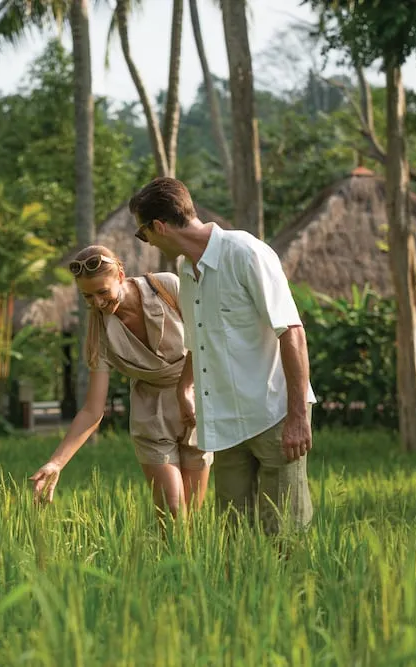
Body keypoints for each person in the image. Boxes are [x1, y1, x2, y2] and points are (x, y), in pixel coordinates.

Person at [129, 177, 316, 535]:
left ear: (159, 226)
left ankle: (296, 593)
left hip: (274, 413)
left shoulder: (245, 253)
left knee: (284, 532)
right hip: (226, 423)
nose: (147, 242)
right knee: (234, 535)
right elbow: (196, 341)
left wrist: (297, 416)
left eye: (143, 233)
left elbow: (292, 332)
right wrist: (185, 388)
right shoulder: (186, 270)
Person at [29, 245, 213, 520]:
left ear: (121, 277)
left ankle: (191, 563)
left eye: (102, 292)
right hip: (151, 411)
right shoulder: (98, 334)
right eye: (88, 296)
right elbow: (93, 409)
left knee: (194, 516)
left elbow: (203, 337)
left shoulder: (165, 286)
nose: (97, 303)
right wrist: (57, 462)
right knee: (173, 513)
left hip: (195, 401)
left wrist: (185, 388)